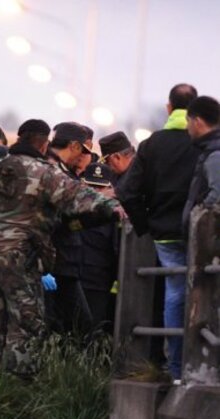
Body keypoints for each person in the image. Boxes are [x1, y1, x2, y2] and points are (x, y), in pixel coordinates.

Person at [0, 119, 124, 375]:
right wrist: (116, 209)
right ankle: (18, 383)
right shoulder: (44, 172)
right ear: (44, 143)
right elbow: (80, 197)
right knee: (25, 321)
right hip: (20, 255)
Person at [118, 83, 200, 380]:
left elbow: (127, 191)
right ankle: (202, 366)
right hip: (201, 232)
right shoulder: (204, 143)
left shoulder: (152, 144)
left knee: (175, 292)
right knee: (204, 292)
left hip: (164, 232)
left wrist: (145, 224)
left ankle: (175, 368)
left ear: (169, 108)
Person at [46, 122, 95, 336]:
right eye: (84, 151)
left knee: (69, 326)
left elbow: (69, 222)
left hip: (66, 262)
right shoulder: (52, 172)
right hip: (53, 263)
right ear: (74, 146)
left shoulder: (67, 173)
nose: (85, 157)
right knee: (79, 326)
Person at [80, 163, 120, 332]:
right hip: (73, 279)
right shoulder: (71, 209)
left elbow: (117, 253)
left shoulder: (115, 216)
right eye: (91, 186)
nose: (96, 192)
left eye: (101, 188)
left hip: (100, 283)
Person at [183, 95, 220, 231]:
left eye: (188, 121)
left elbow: (217, 194)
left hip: (208, 239)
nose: (187, 127)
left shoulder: (214, 154)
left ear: (197, 121)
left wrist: (199, 212)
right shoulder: (207, 148)